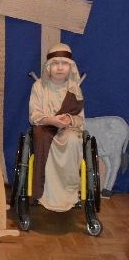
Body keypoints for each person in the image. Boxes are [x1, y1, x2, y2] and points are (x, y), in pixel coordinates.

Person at [29, 43, 85, 211]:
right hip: (45, 129)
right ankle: (46, 194)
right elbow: (34, 116)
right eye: (55, 63)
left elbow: (81, 120)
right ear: (48, 66)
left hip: (68, 130)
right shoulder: (39, 86)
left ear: (71, 67)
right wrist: (52, 120)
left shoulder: (74, 88)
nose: (60, 68)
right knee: (42, 139)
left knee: (73, 140)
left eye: (64, 63)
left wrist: (68, 119)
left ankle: (68, 193)